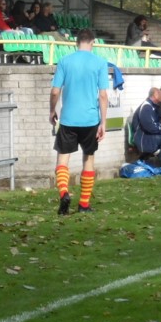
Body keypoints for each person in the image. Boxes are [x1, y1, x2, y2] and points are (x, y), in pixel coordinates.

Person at [49, 29, 109, 215]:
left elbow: (55, 91)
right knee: (88, 158)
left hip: (68, 118)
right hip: (90, 119)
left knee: (63, 158)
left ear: (76, 42)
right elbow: (103, 95)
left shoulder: (65, 61)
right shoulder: (100, 62)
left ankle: (64, 193)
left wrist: (52, 110)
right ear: (92, 42)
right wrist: (103, 122)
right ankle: (83, 204)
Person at [130, 87, 161, 170]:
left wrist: (160, 129)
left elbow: (155, 123)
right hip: (144, 138)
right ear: (154, 95)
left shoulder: (152, 106)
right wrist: (160, 129)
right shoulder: (146, 107)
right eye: (159, 95)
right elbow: (149, 126)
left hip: (149, 136)